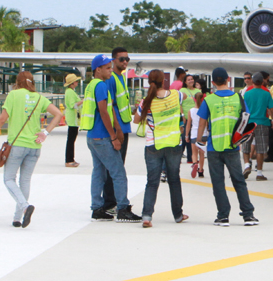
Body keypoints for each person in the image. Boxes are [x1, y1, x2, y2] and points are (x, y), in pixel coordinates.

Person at [0, 71, 63, 228]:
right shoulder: (39, 98)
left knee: (8, 179)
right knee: (25, 180)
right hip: (34, 146)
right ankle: (17, 218)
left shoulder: (13, 95)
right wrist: (45, 132)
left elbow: (2, 119)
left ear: (18, 82)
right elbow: (58, 114)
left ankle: (24, 206)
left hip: (17, 145)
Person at [80, 51, 141, 223]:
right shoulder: (100, 85)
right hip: (102, 136)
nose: (110, 70)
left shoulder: (92, 85)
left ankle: (97, 208)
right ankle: (122, 208)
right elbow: (103, 111)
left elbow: (109, 108)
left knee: (99, 172)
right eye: (107, 68)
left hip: (93, 136)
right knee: (118, 173)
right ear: (97, 70)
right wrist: (114, 135)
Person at [196, 67, 258, 227]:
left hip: (214, 147)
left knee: (218, 183)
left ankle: (223, 216)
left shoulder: (208, 100)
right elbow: (247, 117)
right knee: (239, 181)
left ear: (213, 82)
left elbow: (202, 122)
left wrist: (198, 140)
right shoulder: (238, 98)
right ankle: (248, 215)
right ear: (227, 80)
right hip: (233, 147)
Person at [133, 69, 189, 228]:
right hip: (173, 144)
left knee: (152, 182)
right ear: (163, 81)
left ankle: (146, 216)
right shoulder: (175, 95)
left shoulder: (147, 101)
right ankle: (178, 215)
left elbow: (136, 120)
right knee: (174, 179)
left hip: (153, 145)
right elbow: (184, 96)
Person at [242, 72, 273, 181]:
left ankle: (247, 165)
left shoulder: (247, 93)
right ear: (262, 82)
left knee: (246, 146)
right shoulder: (266, 94)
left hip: (248, 123)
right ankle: (259, 173)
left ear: (252, 81)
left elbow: (242, 109)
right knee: (261, 149)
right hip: (262, 122)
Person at [186, 87, 207, 178]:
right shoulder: (205, 110)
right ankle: (201, 170)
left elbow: (188, 124)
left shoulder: (191, 111)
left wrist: (186, 135)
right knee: (201, 153)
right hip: (203, 134)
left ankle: (195, 163)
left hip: (194, 133)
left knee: (194, 152)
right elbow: (206, 123)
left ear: (194, 99)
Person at [63, 73, 82, 167]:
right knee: (71, 140)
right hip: (72, 118)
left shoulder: (71, 91)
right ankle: (69, 160)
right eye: (76, 81)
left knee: (71, 139)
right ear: (72, 83)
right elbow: (72, 105)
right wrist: (83, 101)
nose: (77, 83)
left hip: (74, 119)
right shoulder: (70, 92)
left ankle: (71, 159)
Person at [180, 73, 199, 164]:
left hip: (195, 118)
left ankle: (191, 158)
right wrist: (182, 115)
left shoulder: (198, 91)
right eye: (189, 79)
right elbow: (179, 104)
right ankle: (179, 156)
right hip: (186, 118)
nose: (191, 81)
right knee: (184, 137)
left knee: (192, 138)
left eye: (192, 79)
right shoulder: (182, 90)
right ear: (185, 82)